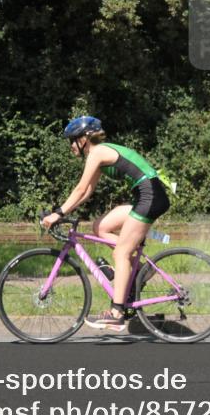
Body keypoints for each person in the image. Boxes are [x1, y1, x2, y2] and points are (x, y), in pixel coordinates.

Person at [41, 115, 170, 332]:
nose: (71, 145)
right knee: (100, 228)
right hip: (147, 195)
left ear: (84, 139)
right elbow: (86, 192)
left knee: (120, 253)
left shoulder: (97, 152)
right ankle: (139, 270)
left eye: (72, 140)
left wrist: (58, 213)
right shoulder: (97, 155)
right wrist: (61, 213)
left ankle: (116, 314)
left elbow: (80, 189)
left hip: (150, 196)